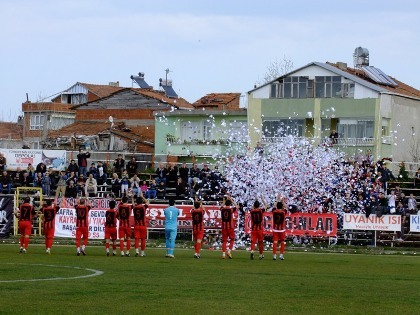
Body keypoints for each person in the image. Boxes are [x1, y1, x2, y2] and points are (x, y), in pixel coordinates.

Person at [271, 195, 287, 260]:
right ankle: (281, 255)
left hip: (275, 229)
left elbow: (274, 207)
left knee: (275, 242)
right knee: (283, 242)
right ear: (282, 206)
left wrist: (277, 200)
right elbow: (286, 208)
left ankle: (274, 255)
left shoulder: (274, 211)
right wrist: (283, 202)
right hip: (282, 230)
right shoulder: (283, 212)